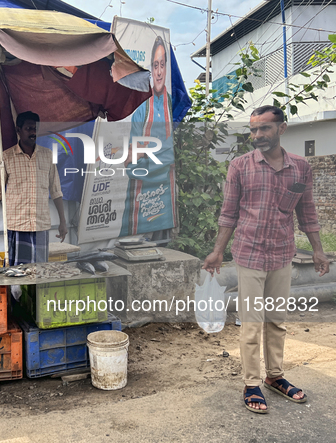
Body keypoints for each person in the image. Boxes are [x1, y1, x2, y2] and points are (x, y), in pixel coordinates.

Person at [203, 105, 330, 413]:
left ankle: (275, 377)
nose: (256, 135)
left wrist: (317, 248)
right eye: (253, 129)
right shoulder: (240, 166)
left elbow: (307, 211)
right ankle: (251, 383)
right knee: (251, 324)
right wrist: (218, 250)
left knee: (277, 321)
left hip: (282, 254)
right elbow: (228, 213)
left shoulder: (301, 168)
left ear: (281, 129)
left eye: (264, 129)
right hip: (249, 254)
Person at [0, 111, 67, 266]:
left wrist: (63, 222)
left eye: (35, 128)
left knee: (40, 270)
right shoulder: (6, 157)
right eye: (28, 128)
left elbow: (56, 191)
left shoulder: (47, 155)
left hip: (40, 225)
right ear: (18, 130)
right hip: (18, 225)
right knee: (19, 273)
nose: (33, 132)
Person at [120, 35, 175, 237]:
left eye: (162, 65)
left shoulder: (172, 105)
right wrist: (162, 158)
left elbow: (174, 156)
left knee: (164, 252)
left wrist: (147, 155)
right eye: (155, 65)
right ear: (150, 70)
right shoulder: (141, 108)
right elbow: (130, 164)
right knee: (137, 249)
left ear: (166, 67)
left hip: (165, 199)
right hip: (141, 198)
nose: (159, 72)